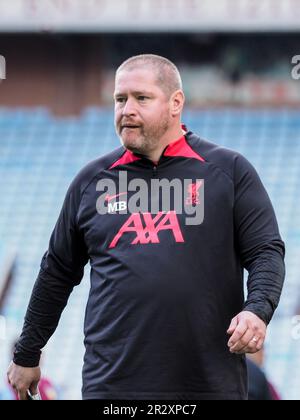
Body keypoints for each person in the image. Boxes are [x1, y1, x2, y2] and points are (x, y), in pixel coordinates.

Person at [7, 54, 285, 400]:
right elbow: (57, 272)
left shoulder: (228, 171)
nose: (127, 110)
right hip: (113, 385)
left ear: (175, 103)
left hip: (208, 385)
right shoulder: (92, 181)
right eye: (119, 99)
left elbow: (266, 252)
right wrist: (28, 353)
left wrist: (257, 309)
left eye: (141, 98)